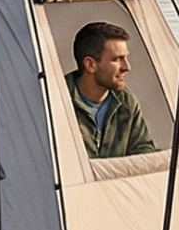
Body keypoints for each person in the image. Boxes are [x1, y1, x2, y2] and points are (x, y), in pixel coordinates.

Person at [66, 22, 157, 159]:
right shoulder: (57, 101)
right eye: (117, 59)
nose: (127, 67)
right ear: (90, 65)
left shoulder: (126, 101)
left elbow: (144, 150)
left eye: (125, 58)